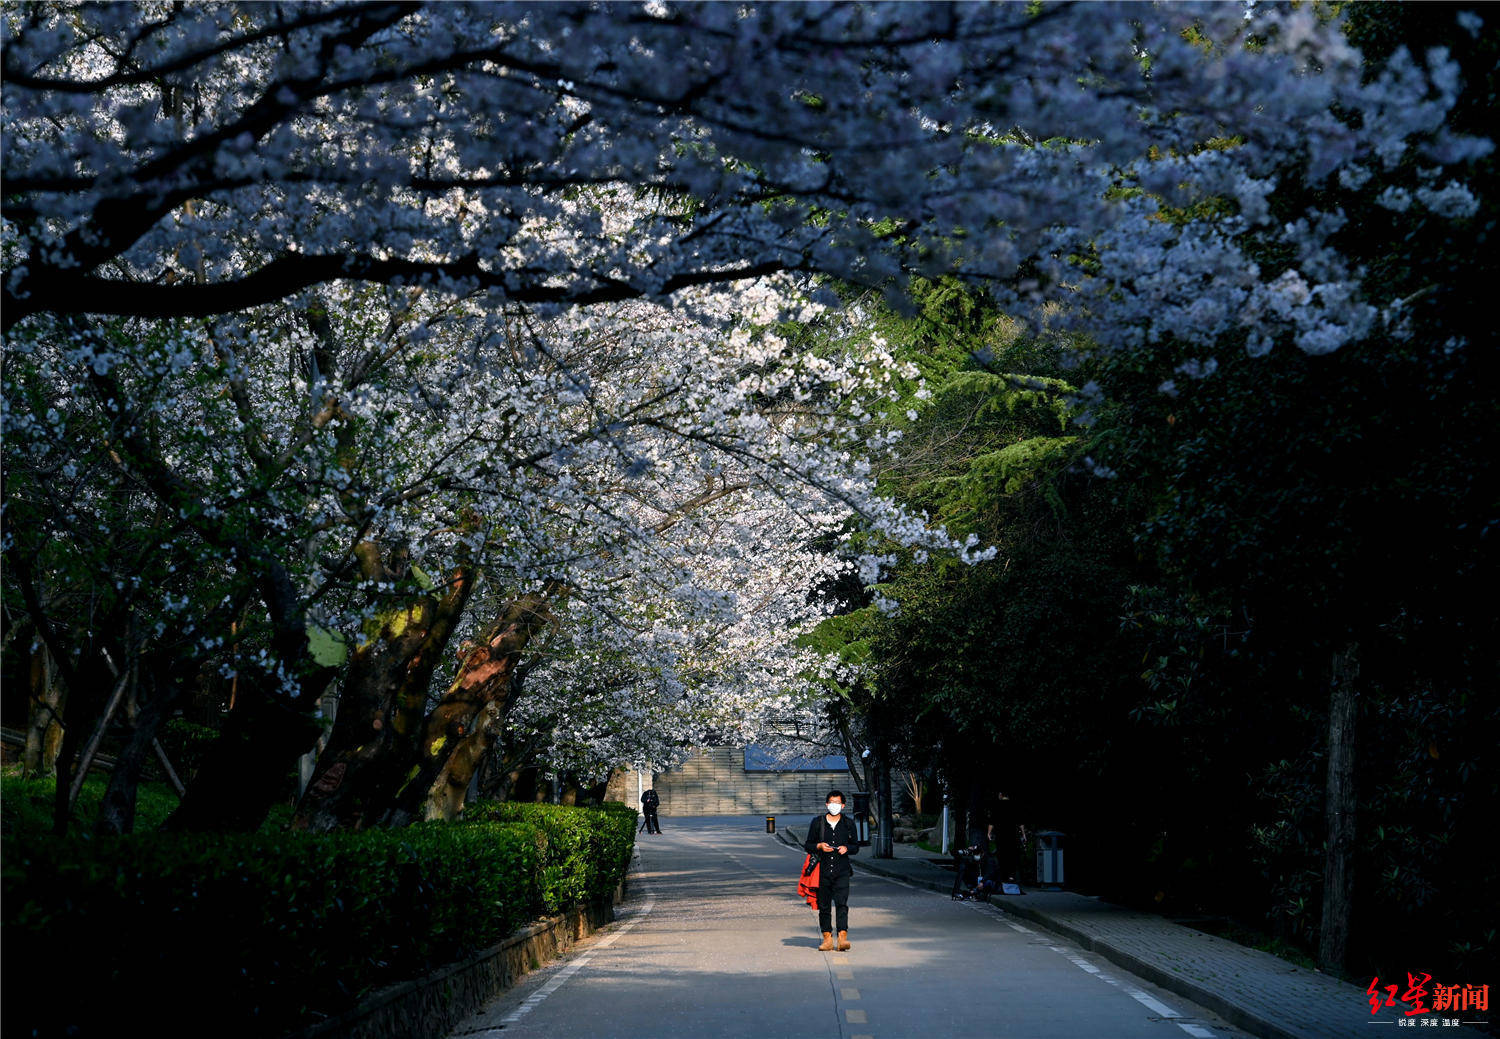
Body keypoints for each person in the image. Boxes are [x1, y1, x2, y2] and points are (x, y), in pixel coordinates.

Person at [803, 789, 859, 951]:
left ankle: (842, 937)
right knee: (824, 906)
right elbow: (808, 845)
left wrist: (846, 848)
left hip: (842, 870)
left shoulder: (848, 824)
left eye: (838, 803)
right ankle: (827, 938)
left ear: (843, 805)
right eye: (831, 803)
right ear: (827, 804)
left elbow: (856, 846)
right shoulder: (817, 822)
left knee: (842, 904)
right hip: (822, 871)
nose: (834, 806)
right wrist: (819, 846)